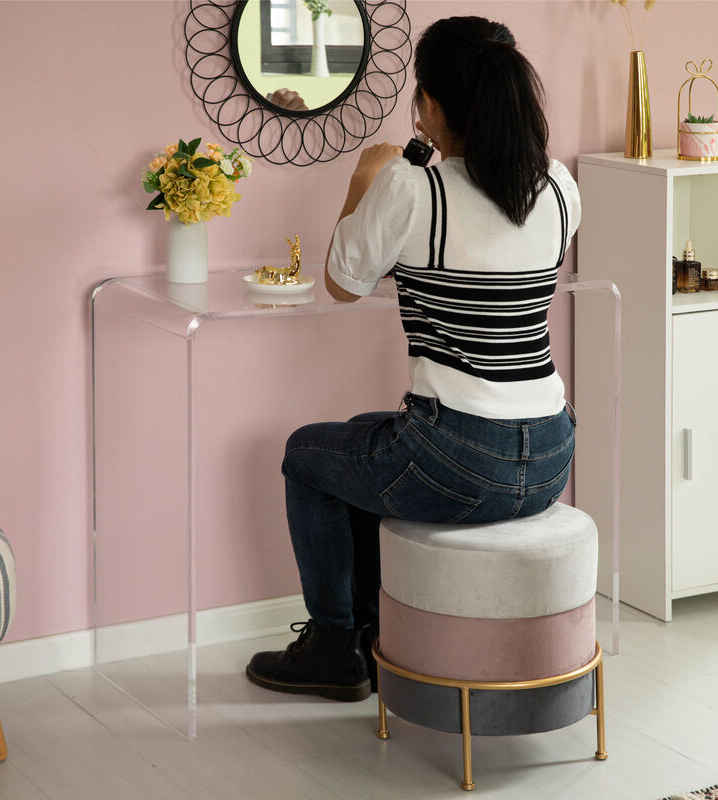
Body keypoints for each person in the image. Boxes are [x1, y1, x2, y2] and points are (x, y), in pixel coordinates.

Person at [246, 15, 581, 702]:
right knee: (371, 441)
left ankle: (336, 644)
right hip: (549, 455)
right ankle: (373, 629)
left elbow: (343, 281)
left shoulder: (410, 187)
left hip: (462, 459)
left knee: (308, 455)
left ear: (428, 105)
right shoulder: (558, 186)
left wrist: (367, 172)